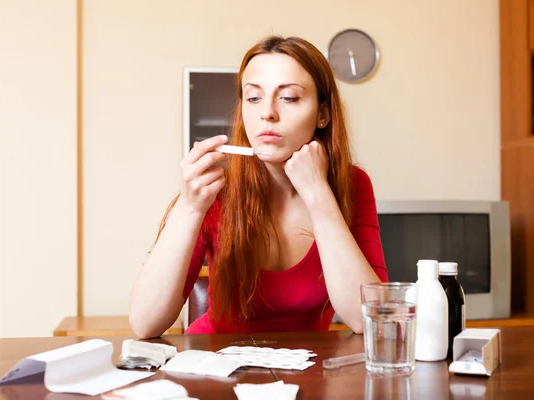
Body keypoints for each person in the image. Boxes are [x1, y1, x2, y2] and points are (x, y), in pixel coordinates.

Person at [129, 35, 388, 338]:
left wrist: (319, 195)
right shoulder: (214, 189)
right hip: (217, 369)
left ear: (323, 113)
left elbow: (370, 321)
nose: (268, 112)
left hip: (309, 373)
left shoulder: (351, 184)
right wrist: (189, 207)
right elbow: (145, 323)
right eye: (253, 98)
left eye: (289, 97)